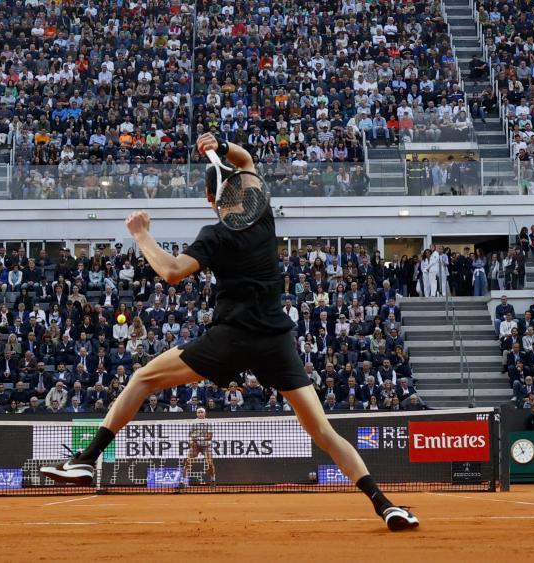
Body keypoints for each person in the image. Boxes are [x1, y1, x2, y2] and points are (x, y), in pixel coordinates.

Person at [40, 134, 418, 531]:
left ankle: (86, 460)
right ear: (241, 188)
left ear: (210, 198)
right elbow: (247, 159)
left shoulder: (215, 235)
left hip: (232, 338)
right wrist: (219, 145)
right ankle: (384, 504)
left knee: (142, 379)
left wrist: (141, 235)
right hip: (276, 341)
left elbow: (171, 272)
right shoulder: (263, 212)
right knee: (324, 431)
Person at [181, 407, 216, 486]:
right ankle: (182, 481)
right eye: (199, 412)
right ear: (197, 414)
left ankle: (213, 479)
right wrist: (194, 440)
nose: (200, 414)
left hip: (206, 445)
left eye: (201, 412)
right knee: (188, 461)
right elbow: (191, 434)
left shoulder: (208, 422)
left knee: (210, 463)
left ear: (205, 413)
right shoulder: (193, 422)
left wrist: (200, 438)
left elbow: (210, 437)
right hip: (196, 445)